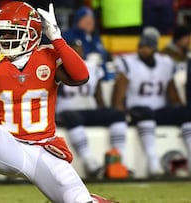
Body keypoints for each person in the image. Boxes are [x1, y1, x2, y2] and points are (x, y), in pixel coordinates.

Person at [0, 2, 116, 202]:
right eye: (1, 33)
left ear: (32, 34)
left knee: (80, 200)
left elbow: (81, 76)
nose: (4, 38)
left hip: (44, 149)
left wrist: (57, 39)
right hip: (8, 146)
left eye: (10, 33)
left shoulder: (48, 56)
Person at [112, 26, 191, 177]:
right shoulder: (128, 62)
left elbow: (171, 92)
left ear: (154, 48)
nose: (143, 49)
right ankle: (152, 161)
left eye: (147, 46)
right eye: (142, 45)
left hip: (158, 110)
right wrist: (120, 111)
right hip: (136, 110)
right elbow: (119, 94)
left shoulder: (166, 63)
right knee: (146, 112)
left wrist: (179, 110)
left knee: (187, 113)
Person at [56, 39, 128, 178]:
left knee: (117, 115)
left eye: (79, 48)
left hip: (88, 110)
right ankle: (89, 162)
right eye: (73, 48)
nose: (77, 52)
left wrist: (103, 110)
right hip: (66, 111)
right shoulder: (58, 66)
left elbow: (98, 94)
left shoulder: (92, 67)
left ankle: (119, 160)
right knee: (72, 117)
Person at [63, 6, 113, 80]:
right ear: (78, 20)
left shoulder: (95, 37)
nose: (89, 21)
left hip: (99, 79)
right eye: (85, 18)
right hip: (80, 80)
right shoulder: (68, 36)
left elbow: (104, 56)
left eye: (91, 18)